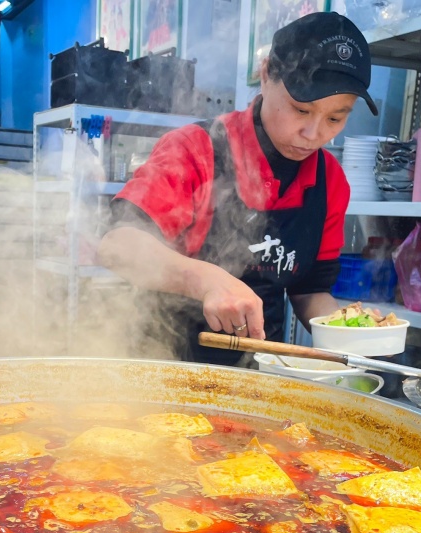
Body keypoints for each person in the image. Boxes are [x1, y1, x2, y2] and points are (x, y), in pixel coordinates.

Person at [97, 12, 377, 365]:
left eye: (336, 117)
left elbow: (311, 290)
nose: (315, 134)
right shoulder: (196, 149)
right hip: (163, 365)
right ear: (265, 75)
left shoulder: (330, 180)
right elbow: (117, 245)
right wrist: (207, 281)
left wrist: (352, 333)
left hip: (257, 375)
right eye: (301, 109)